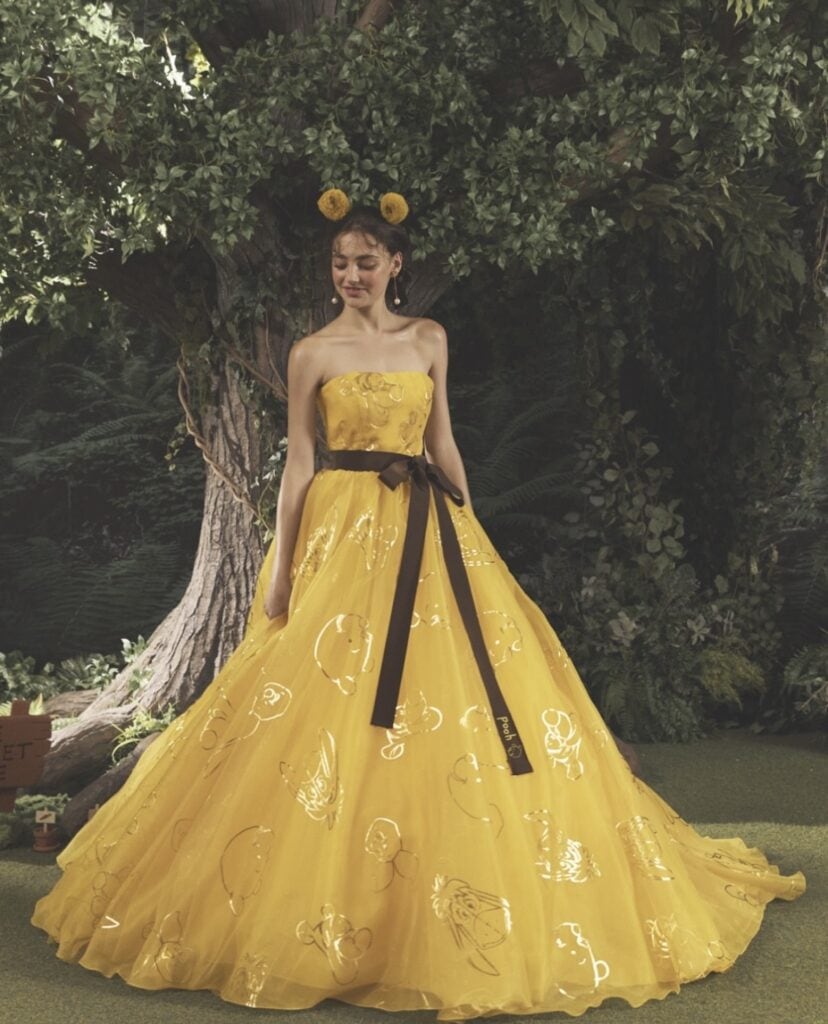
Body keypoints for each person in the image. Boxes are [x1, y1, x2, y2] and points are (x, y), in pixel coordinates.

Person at [31, 189, 806, 1020]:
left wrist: (474, 542)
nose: (353, 274)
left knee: (457, 703)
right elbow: (298, 463)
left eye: (367, 261)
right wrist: (282, 565)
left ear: (396, 266)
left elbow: (442, 443)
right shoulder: (311, 353)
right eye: (340, 263)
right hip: (342, 532)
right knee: (326, 706)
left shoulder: (429, 340)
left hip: (431, 529)